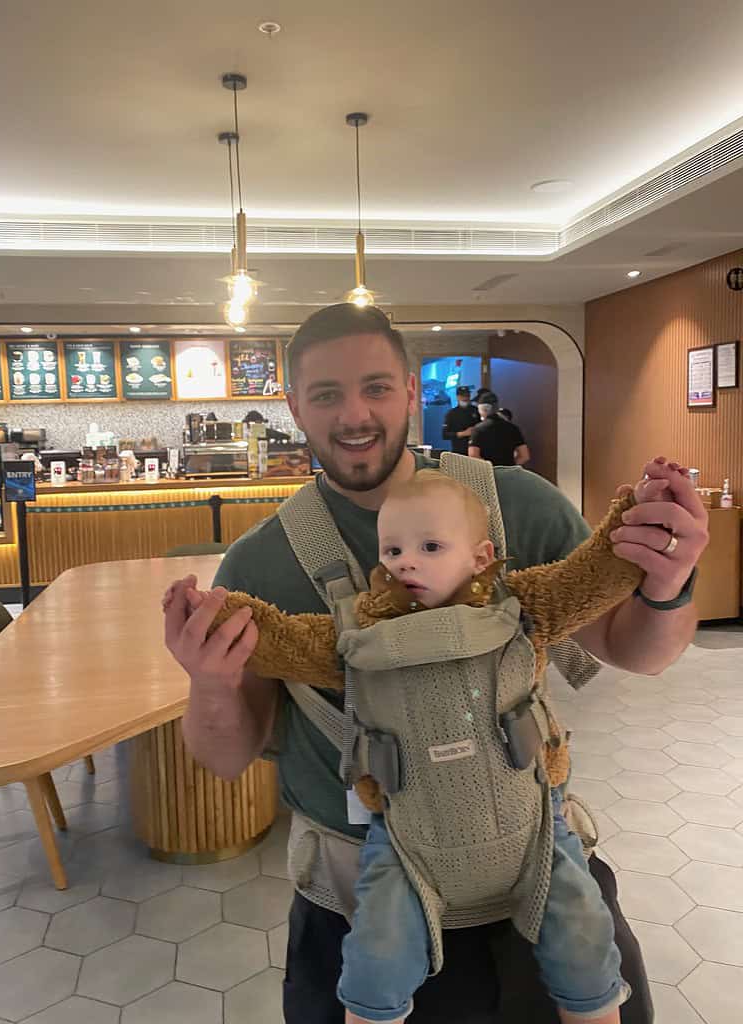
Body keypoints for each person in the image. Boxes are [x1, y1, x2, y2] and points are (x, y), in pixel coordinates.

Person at [165, 303, 708, 1024]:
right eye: (325, 394)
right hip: (364, 898)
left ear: (412, 388)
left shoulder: (515, 505)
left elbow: (636, 652)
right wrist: (209, 682)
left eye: (377, 387)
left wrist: (665, 587)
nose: (354, 413)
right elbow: (225, 755)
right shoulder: (260, 562)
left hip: (534, 871)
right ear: (293, 405)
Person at [469, 392, 530, 466]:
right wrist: (510, 467)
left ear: (481, 409)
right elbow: (524, 456)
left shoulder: (478, 429)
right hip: (509, 474)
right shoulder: (513, 428)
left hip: (488, 475)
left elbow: (473, 455)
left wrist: (490, 470)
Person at [442, 384, 480, 455]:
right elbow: (445, 435)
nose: (465, 398)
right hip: (458, 451)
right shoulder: (451, 414)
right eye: (462, 396)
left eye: (467, 395)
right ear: (457, 397)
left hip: (475, 450)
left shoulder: (476, 411)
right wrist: (463, 433)